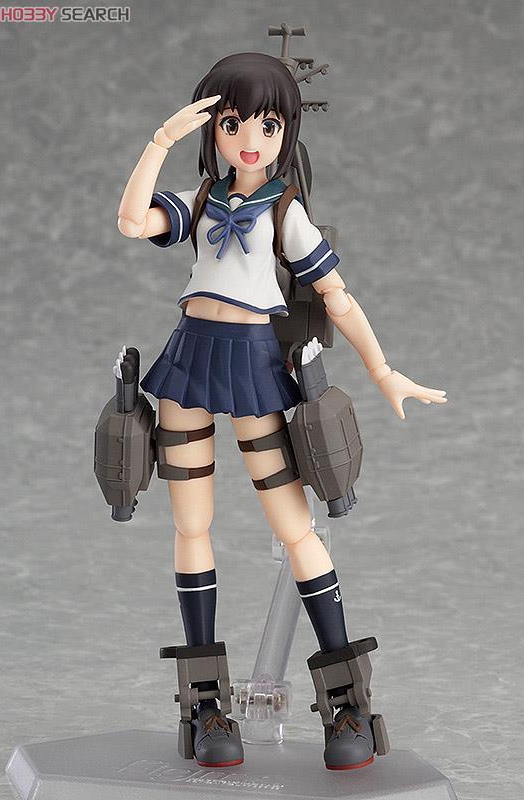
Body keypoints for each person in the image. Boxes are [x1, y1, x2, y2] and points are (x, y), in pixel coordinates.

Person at [117, 52, 447, 770]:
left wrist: (383, 370)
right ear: (212, 127)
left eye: (267, 126)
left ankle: (346, 704)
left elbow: (337, 295)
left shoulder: (283, 211)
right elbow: (131, 220)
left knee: (295, 527)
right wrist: (160, 140)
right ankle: (205, 704)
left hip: (253, 365)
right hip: (188, 362)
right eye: (232, 122)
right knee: (191, 525)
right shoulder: (202, 200)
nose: (249, 139)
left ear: (287, 132)